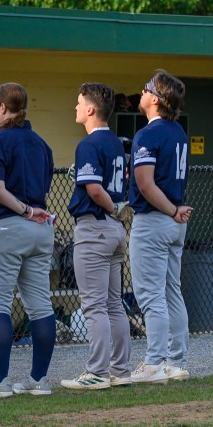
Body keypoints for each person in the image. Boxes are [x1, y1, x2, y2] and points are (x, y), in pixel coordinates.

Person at [0, 83, 57, 397]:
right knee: (40, 305)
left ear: (3, 108)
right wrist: (32, 210)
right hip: (40, 229)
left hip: (7, 226)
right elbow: (44, 185)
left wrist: (24, 209)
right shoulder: (41, 143)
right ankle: (39, 380)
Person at [59, 83, 132, 390]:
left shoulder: (88, 143)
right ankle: (120, 370)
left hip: (96, 226)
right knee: (114, 304)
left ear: (91, 109)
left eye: (79, 103)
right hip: (114, 230)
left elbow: (94, 189)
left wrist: (112, 208)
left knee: (95, 305)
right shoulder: (116, 142)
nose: (76, 108)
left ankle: (98, 371)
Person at [128, 72, 193, 383]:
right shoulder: (178, 131)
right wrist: (174, 211)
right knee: (171, 292)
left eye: (146, 89)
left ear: (156, 99)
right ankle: (176, 361)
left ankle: (155, 362)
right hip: (172, 221)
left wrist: (171, 210)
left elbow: (145, 184)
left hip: (156, 218)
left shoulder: (148, 134)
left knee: (151, 294)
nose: (141, 92)